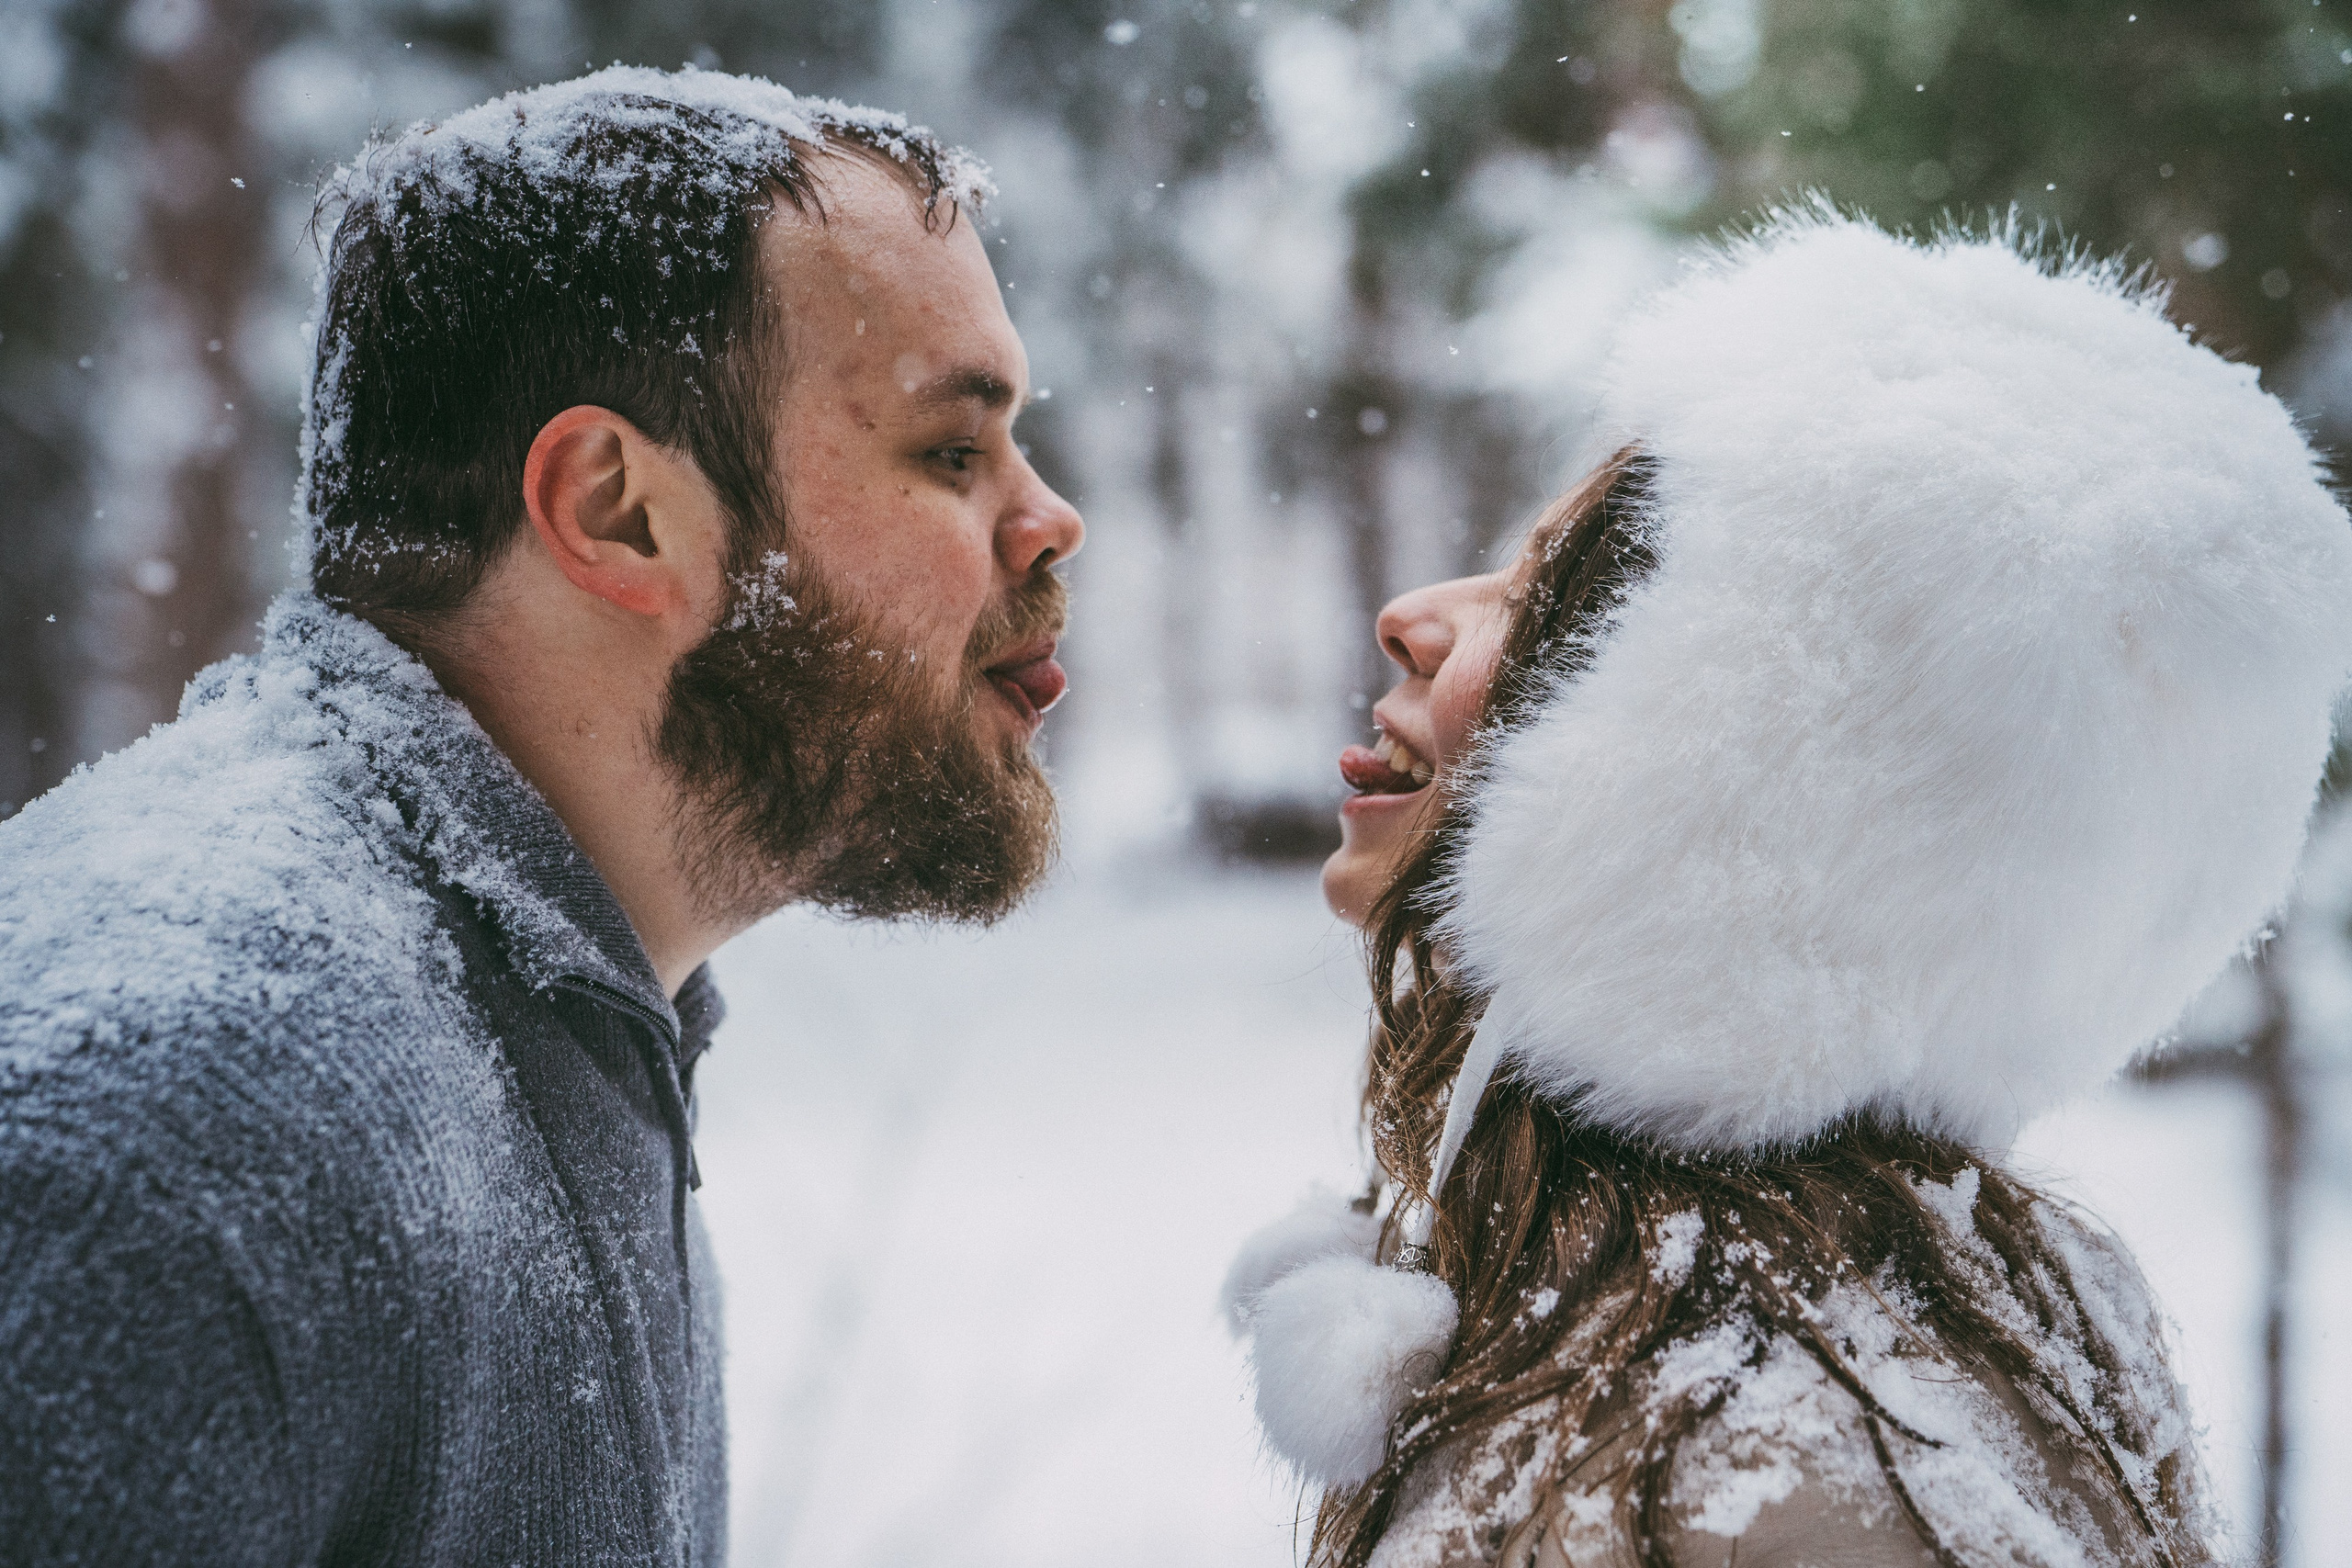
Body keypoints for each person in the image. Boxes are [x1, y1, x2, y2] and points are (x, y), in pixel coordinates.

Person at [0, 67, 1080, 1565]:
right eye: (951, 451)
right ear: (617, 510)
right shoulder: (170, 1140)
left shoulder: (561, 1006)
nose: (1048, 519)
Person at [1224, 209, 2352, 1567]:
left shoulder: (1787, 1461)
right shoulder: (1684, 1325)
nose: (1416, 610)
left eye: (1551, 597)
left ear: (1728, 781)